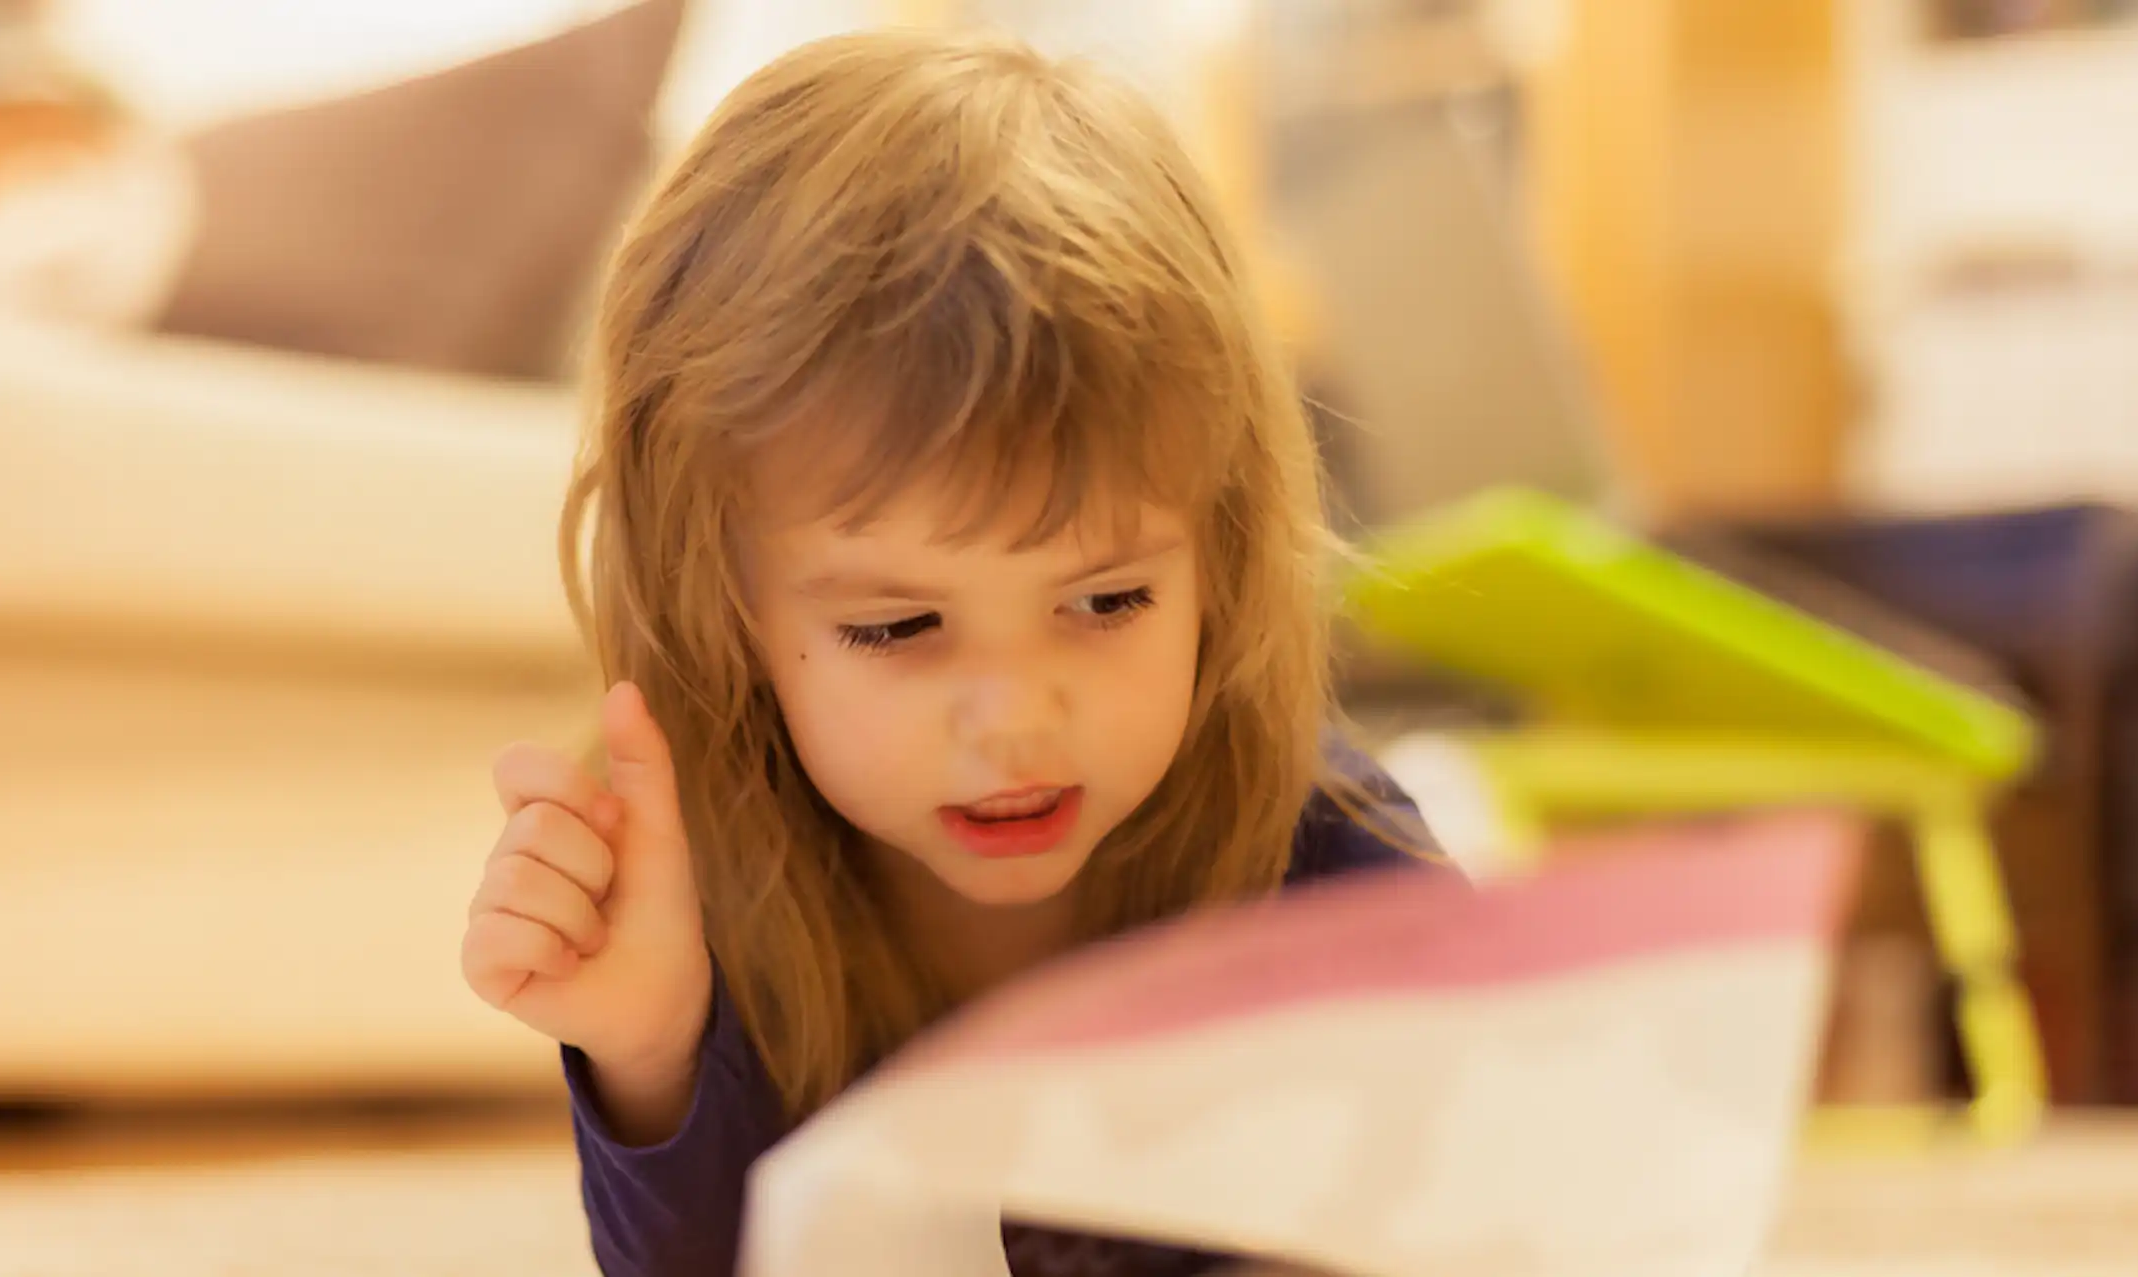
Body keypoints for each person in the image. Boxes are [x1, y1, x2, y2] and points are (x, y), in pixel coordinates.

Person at [460, 28, 1442, 1277]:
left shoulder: (1340, 858)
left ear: (1220, 555)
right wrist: (650, 1049)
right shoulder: (710, 893)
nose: (1014, 718)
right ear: (729, 610)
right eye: (897, 626)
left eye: (1105, 602)